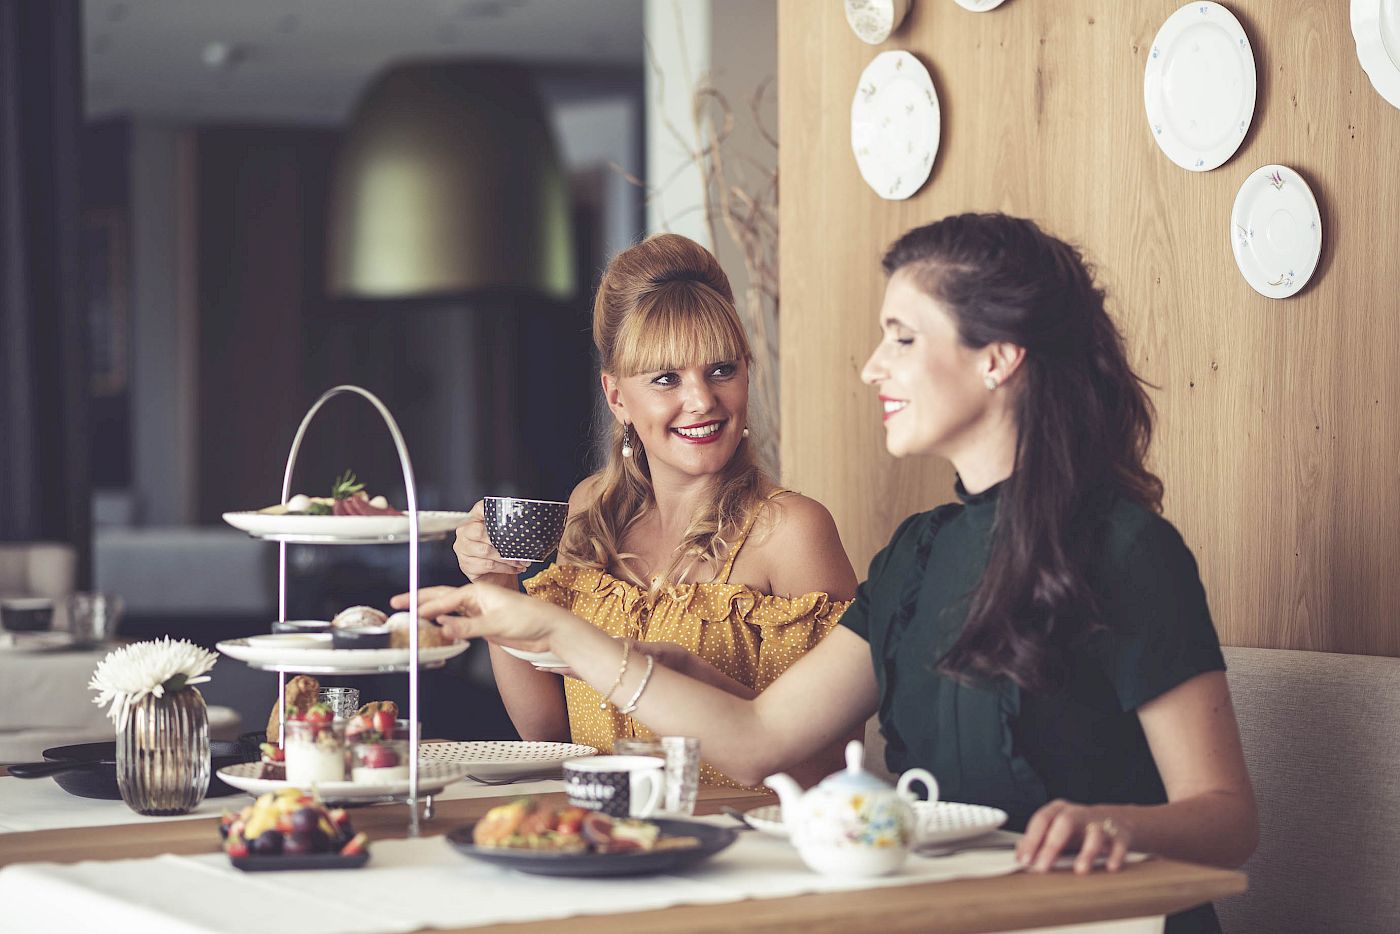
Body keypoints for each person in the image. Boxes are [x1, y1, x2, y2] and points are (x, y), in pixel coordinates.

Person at [399, 214, 1256, 932]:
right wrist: (545, 623)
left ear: (998, 357)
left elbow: (1229, 820)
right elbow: (761, 739)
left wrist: (1114, 823)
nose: (872, 368)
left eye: (903, 339)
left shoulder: (1130, 551)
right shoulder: (919, 554)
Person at [447, 232, 860, 787]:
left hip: (744, 851)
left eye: (722, 370)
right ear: (617, 397)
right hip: (612, 842)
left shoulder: (790, 532)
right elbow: (547, 732)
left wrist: (682, 678)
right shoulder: (590, 512)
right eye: (666, 378)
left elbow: (829, 762)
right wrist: (496, 584)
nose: (703, 400)